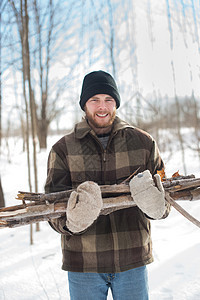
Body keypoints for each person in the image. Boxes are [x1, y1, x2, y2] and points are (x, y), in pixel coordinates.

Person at [45, 70, 171, 300]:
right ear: (84, 104)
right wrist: (72, 221)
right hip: (83, 264)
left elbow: (166, 198)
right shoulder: (62, 150)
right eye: (94, 100)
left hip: (132, 259)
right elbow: (51, 210)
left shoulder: (143, 143)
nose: (102, 107)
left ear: (116, 103)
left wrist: (157, 206)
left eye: (108, 100)